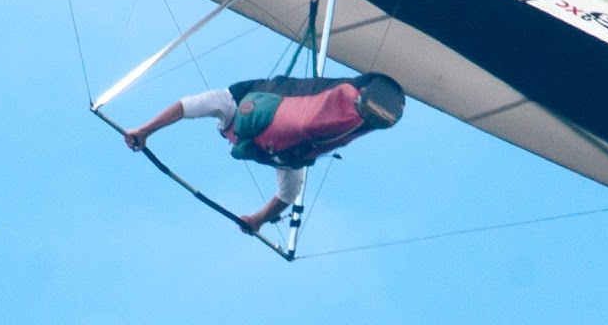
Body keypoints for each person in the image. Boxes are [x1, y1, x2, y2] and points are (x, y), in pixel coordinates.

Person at [124, 73, 405, 234]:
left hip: (281, 108)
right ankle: (370, 116)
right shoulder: (278, 157)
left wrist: (146, 130)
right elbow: (288, 195)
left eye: (227, 136)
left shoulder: (230, 105)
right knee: (332, 136)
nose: (230, 141)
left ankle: (359, 96)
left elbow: (190, 106)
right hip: (298, 142)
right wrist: (258, 218)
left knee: (306, 122)